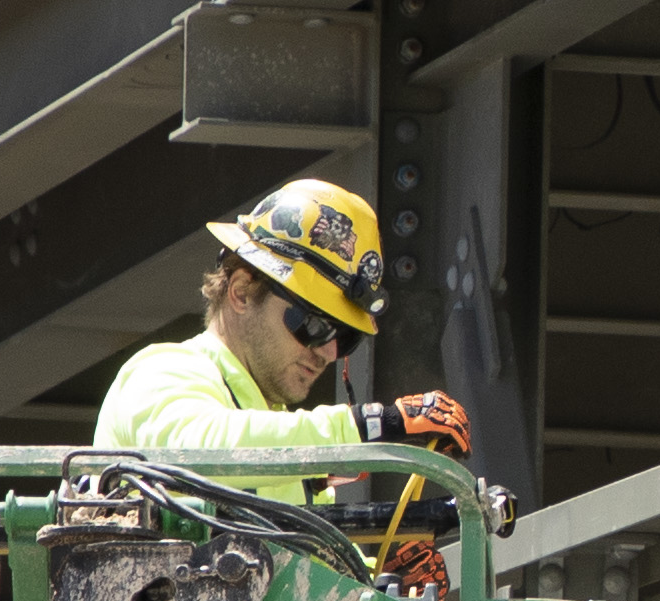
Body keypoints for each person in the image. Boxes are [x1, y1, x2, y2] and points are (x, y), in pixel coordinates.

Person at [96, 177, 466, 469]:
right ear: (241, 292)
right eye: (314, 323)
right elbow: (203, 456)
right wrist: (367, 425)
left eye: (345, 337)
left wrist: (376, 563)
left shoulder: (283, 445)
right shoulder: (164, 371)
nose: (327, 352)